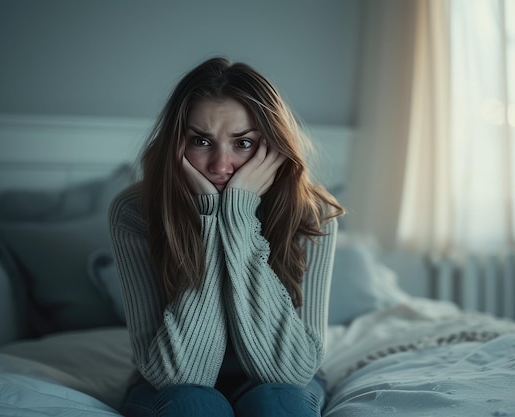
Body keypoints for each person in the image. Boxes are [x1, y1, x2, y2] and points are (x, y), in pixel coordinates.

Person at [108, 56, 345, 417]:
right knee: (192, 402)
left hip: (282, 384)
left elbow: (289, 373)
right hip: (174, 383)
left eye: (243, 144)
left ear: (273, 147)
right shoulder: (135, 212)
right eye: (201, 141)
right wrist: (209, 217)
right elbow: (180, 376)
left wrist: (236, 217)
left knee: (276, 401)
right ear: (176, 144)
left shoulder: (312, 212)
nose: (221, 165)